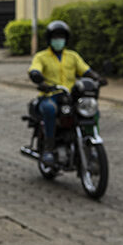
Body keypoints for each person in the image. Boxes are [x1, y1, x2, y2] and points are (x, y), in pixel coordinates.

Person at [28, 20, 103, 166]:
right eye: (55, 37)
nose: (58, 40)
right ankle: (49, 148)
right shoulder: (41, 56)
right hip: (50, 95)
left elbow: (86, 70)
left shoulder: (73, 56)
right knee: (50, 109)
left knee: (91, 110)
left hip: (71, 96)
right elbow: (34, 69)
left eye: (61, 37)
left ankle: (91, 143)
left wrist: (97, 77)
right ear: (49, 39)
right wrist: (38, 77)